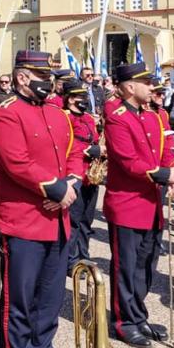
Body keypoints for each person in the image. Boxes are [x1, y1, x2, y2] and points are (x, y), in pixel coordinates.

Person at [0, 50, 84, 348]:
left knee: (49, 300)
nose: (48, 81)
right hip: (23, 221)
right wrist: (57, 190)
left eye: (49, 75)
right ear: (21, 78)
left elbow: (74, 153)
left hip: (56, 220)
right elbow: (16, 162)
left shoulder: (58, 113)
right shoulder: (6, 113)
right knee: (21, 302)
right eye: (40, 75)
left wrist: (71, 185)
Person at [104, 63, 174, 348]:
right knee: (126, 267)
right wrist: (166, 175)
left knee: (147, 264)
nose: (153, 87)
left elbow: (166, 153)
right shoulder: (116, 118)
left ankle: (138, 315)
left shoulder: (153, 117)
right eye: (146, 82)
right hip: (127, 204)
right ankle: (123, 321)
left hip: (151, 204)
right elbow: (128, 162)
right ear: (129, 87)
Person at [62, 78, 103, 275]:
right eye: (80, 96)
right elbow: (68, 146)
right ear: (70, 99)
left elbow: (94, 138)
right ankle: (71, 262)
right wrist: (91, 149)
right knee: (74, 221)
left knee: (87, 221)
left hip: (91, 176)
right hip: (76, 174)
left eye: (85, 96)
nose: (84, 100)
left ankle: (83, 257)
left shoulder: (87, 118)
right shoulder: (65, 117)